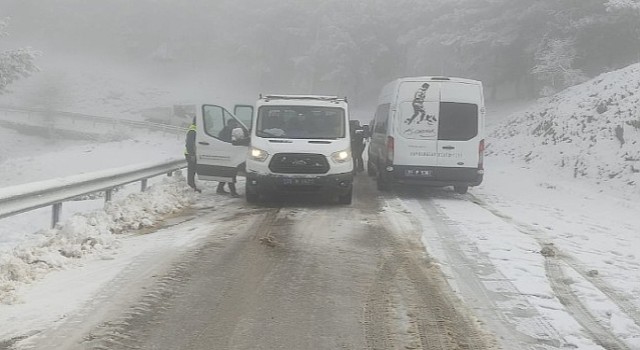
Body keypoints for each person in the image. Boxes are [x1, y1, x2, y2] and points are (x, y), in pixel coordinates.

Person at [216, 119, 240, 197]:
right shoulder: (225, 132)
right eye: (233, 124)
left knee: (226, 173)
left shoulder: (232, 131)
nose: (235, 126)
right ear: (229, 124)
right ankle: (233, 192)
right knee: (230, 173)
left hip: (231, 155)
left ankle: (220, 188)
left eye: (235, 124)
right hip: (226, 155)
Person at [184, 117, 202, 193]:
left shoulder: (195, 129)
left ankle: (192, 186)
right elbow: (189, 144)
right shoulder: (193, 130)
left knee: (193, 171)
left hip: (192, 153)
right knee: (191, 171)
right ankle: (191, 186)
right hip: (190, 154)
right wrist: (192, 154)